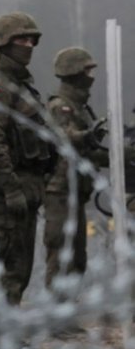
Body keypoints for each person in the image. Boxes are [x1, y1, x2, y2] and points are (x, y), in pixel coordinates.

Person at [0, 12, 53, 308]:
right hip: (2, 193)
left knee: (20, 267)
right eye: (22, 39)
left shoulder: (20, 85)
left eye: (32, 39)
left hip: (26, 188)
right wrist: (11, 188)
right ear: (4, 42)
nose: (28, 45)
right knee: (4, 264)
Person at [43, 47, 108, 292]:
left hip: (77, 191)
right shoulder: (61, 106)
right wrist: (86, 136)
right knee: (61, 254)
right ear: (73, 72)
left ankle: (67, 315)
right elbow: (65, 137)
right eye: (87, 70)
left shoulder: (81, 108)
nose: (91, 76)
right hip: (59, 191)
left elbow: (91, 151)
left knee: (78, 258)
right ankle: (57, 321)